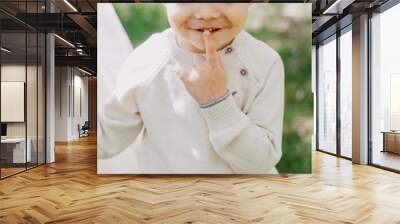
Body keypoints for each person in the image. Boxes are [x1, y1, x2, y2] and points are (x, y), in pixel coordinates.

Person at [98, 3, 285, 174]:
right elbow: (107, 139)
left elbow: (261, 163)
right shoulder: (146, 62)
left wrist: (218, 103)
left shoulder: (265, 63)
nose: (206, 13)